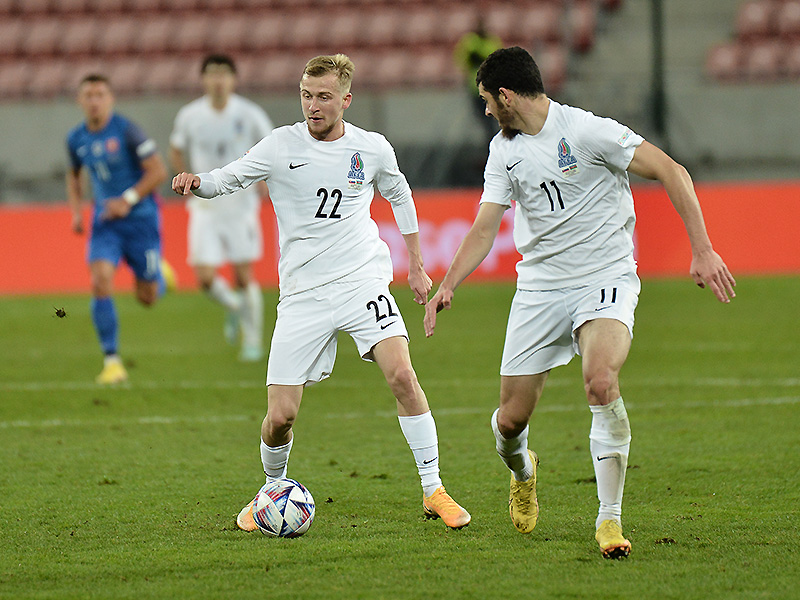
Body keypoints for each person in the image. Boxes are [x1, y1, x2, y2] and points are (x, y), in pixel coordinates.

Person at [424, 47, 736, 558]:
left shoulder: (588, 132)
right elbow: (485, 226)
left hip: (604, 277)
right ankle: (523, 470)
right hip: (541, 288)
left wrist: (702, 248)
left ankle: (609, 521)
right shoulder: (505, 150)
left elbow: (672, 170)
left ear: (505, 96)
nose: (484, 112)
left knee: (601, 380)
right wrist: (449, 282)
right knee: (509, 422)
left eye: (486, 101)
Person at [172, 54, 471, 529]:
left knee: (402, 376)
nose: (313, 105)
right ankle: (272, 489)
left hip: (361, 281)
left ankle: (433, 488)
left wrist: (415, 263)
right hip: (302, 293)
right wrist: (196, 183)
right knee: (281, 417)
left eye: (324, 97)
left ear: (346, 100)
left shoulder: (371, 149)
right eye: (307, 96)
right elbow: (229, 177)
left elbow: (400, 194)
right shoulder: (279, 145)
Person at [66, 73, 170, 384]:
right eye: (88, 95)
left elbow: (159, 170)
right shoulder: (76, 139)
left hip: (141, 221)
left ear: (110, 99)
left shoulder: (128, 131)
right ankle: (112, 361)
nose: (94, 100)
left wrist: (127, 200)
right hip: (106, 223)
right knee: (100, 281)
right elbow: (74, 175)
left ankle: (162, 277)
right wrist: (76, 212)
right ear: (80, 101)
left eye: (100, 94)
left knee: (147, 297)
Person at [170, 54, 274, 362]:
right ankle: (234, 307)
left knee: (244, 276)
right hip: (205, 205)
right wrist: (186, 183)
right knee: (203, 277)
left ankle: (253, 341)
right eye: (212, 74)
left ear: (233, 79)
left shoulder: (249, 113)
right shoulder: (190, 115)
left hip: (241, 204)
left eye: (223, 74)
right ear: (203, 80)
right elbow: (176, 149)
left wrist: (265, 181)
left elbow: (270, 147)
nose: (218, 81)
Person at [454, 19, 502, 146]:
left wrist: (479, 55)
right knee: (482, 119)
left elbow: (496, 59)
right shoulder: (470, 41)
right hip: (474, 88)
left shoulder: (491, 41)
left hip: (490, 88)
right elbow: (461, 58)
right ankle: (490, 145)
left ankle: (493, 144)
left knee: (491, 119)